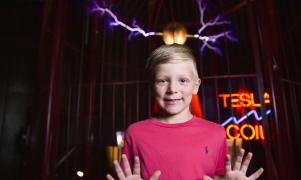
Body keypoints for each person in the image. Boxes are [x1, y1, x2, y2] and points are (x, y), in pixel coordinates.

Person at [106, 44, 264, 180]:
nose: (173, 89)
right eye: (162, 81)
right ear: (152, 87)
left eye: (183, 80)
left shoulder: (216, 133)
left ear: (196, 86)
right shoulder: (135, 133)